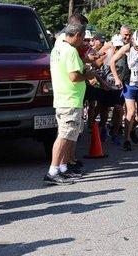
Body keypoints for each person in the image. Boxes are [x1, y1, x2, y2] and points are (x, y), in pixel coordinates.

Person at [44, 23, 94, 185]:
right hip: (69, 99)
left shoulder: (58, 48)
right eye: (82, 38)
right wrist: (88, 74)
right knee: (64, 136)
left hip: (64, 98)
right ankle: (53, 171)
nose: (83, 42)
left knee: (68, 135)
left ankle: (63, 168)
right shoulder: (71, 51)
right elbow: (74, 76)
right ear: (77, 35)